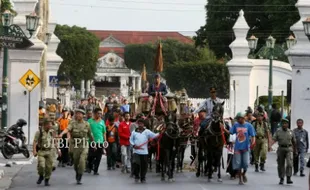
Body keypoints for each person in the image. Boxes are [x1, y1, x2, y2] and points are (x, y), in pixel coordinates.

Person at [58, 108, 94, 185]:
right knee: (76, 161)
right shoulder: (72, 123)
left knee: (82, 160)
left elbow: (90, 135)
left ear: (83, 115)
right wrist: (61, 134)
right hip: (75, 144)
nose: (78, 115)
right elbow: (67, 129)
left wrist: (94, 143)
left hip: (84, 144)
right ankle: (77, 172)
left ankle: (80, 175)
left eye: (80, 114)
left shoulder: (87, 124)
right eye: (77, 113)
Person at [230, 112, 256, 185]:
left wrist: (253, 142)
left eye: (239, 119)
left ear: (243, 118)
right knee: (238, 163)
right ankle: (240, 179)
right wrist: (223, 129)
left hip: (246, 147)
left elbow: (253, 135)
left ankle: (243, 173)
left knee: (245, 163)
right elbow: (231, 132)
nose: (238, 120)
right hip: (237, 148)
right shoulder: (235, 125)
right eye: (237, 119)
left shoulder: (249, 125)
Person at [130, 118, 159, 183]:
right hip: (136, 151)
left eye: (141, 124)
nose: (140, 125)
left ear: (143, 124)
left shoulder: (147, 131)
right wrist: (134, 145)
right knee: (136, 164)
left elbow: (154, 136)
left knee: (144, 165)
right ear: (137, 124)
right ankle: (136, 176)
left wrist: (160, 133)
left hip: (144, 152)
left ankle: (143, 177)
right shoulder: (134, 132)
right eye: (139, 124)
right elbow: (131, 140)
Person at [33, 118, 61, 186]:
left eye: (51, 124)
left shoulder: (52, 132)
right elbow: (35, 142)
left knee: (49, 167)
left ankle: (47, 180)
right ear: (44, 125)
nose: (50, 125)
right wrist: (34, 151)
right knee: (41, 166)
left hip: (50, 151)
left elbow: (55, 141)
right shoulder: (39, 132)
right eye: (49, 124)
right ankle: (41, 175)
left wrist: (58, 149)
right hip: (41, 151)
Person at [271, 118, 296, 185]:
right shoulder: (278, 131)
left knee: (289, 163)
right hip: (281, 149)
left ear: (288, 124)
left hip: (289, 149)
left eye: (286, 123)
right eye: (283, 123)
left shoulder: (291, 132)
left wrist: (295, 150)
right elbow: (274, 139)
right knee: (280, 164)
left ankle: (288, 178)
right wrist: (270, 146)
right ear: (281, 124)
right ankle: (281, 178)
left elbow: (294, 142)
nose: (284, 125)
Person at [86, 108, 106, 175]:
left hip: (100, 141)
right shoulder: (89, 121)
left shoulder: (102, 122)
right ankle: (89, 165)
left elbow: (104, 132)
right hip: (91, 141)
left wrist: (105, 141)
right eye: (98, 113)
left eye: (101, 113)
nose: (100, 115)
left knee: (98, 157)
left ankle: (95, 170)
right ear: (94, 113)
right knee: (91, 156)